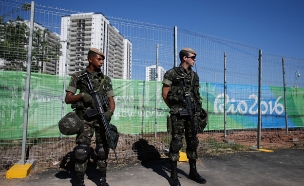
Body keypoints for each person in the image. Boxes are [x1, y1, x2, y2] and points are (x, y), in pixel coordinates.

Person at [65, 48, 115, 186]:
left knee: (102, 150)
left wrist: (109, 113)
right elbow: (68, 99)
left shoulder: (105, 79)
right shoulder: (78, 76)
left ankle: (102, 179)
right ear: (90, 59)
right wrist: (81, 95)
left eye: (103, 59)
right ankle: (79, 180)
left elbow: (111, 100)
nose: (102, 62)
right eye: (99, 59)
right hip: (85, 118)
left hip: (101, 118)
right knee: (82, 151)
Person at [162, 48, 207, 185]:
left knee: (192, 142)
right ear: (184, 58)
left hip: (192, 114)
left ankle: (193, 172)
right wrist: (175, 108)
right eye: (192, 57)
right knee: (176, 143)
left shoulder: (194, 76)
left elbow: (196, 95)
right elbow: (165, 94)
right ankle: (174, 176)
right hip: (179, 115)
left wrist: (198, 112)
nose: (194, 59)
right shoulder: (171, 73)